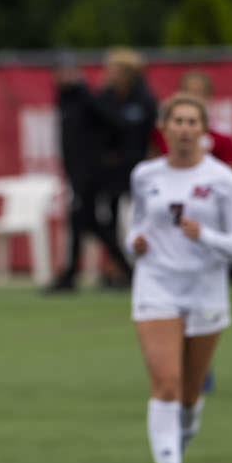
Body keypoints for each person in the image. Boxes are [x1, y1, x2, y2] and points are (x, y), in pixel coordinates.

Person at [125, 94, 232, 463]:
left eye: (191, 122)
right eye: (176, 121)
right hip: (156, 284)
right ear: (163, 128)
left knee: (189, 396)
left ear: (204, 130)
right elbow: (134, 229)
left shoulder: (221, 180)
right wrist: (134, 245)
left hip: (204, 289)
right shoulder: (145, 176)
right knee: (165, 382)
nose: (183, 129)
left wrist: (207, 237)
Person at [51, 48, 152, 291]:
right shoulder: (103, 97)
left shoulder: (143, 100)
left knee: (94, 219)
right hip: (104, 172)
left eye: (114, 70)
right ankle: (113, 271)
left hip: (133, 172)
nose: (108, 74)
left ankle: (126, 270)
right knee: (85, 218)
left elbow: (128, 129)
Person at [147, 71, 232, 165]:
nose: (193, 98)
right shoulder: (161, 134)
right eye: (188, 92)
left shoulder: (223, 139)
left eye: (199, 93)